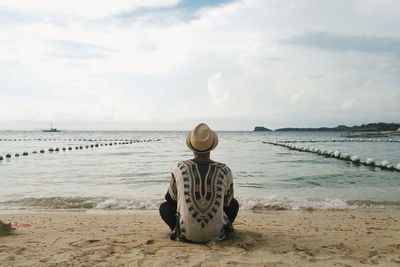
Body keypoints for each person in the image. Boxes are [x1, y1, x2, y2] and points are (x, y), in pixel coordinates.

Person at [159, 123, 239, 243]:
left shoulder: (180, 169)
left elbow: (171, 200)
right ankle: (218, 229)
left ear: (191, 146)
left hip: (186, 235)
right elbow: (228, 203)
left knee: (164, 207)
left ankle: (183, 230)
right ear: (212, 147)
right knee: (234, 204)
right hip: (217, 235)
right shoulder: (225, 170)